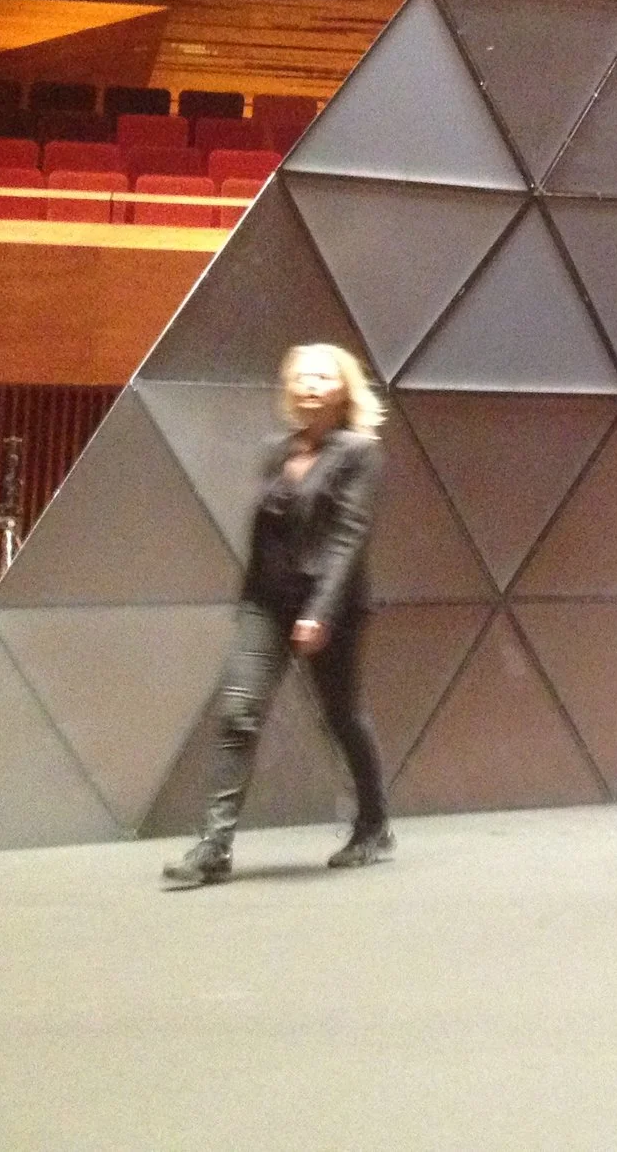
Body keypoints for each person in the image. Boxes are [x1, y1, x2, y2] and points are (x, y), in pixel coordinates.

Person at [164, 343, 392, 887]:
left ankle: (373, 824)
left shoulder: (360, 453)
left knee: (342, 716)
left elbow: (347, 538)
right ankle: (213, 846)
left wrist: (319, 611)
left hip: (330, 607)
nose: (310, 384)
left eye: (323, 377)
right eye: (301, 376)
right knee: (238, 713)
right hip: (266, 602)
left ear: (343, 389)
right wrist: (255, 602)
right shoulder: (277, 451)